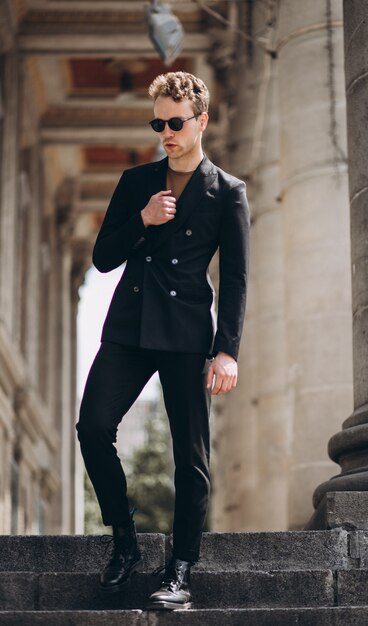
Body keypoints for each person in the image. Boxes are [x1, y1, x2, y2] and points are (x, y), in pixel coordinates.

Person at [76, 71, 250, 610]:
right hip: (129, 327)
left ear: (201, 121)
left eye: (176, 122)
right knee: (93, 425)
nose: (166, 132)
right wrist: (144, 222)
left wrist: (227, 350)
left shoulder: (227, 192)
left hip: (184, 333)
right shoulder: (136, 183)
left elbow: (238, 277)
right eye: (159, 123)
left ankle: (180, 571)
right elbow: (103, 257)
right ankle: (124, 543)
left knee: (190, 456)